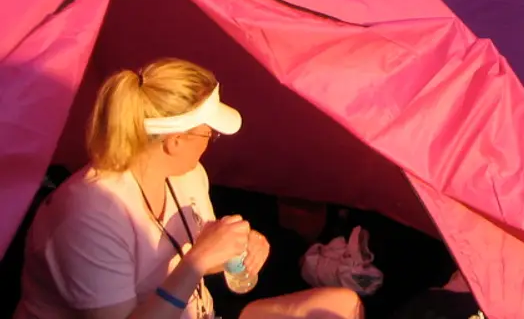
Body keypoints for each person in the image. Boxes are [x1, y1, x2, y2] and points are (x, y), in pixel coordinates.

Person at [16, 59, 362, 319]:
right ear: (175, 141)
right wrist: (196, 262)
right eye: (209, 133)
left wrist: (235, 253)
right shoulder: (89, 217)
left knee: (343, 305)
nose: (213, 142)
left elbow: (198, 257)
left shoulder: (187, 174)